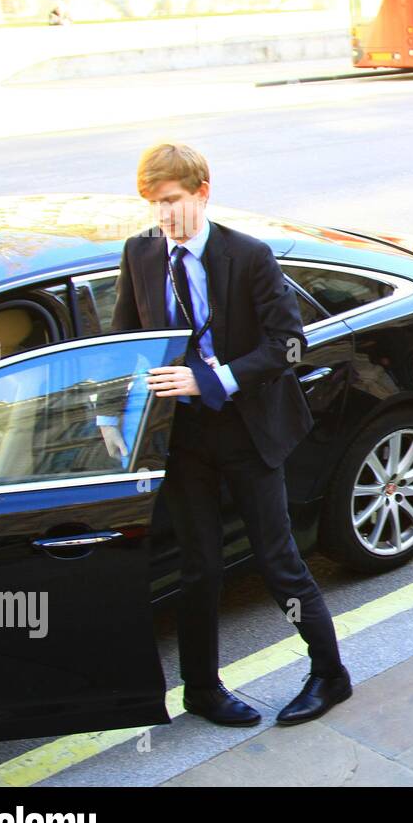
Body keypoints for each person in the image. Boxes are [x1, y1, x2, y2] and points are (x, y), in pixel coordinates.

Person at [100, 143, 350, 727]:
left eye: (171, 202)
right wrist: (110, 414)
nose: (162, 217)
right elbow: (124, 336)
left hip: (246, 428)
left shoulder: (249, 255)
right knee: (198, 566)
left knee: (277, 561)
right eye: (152, 205)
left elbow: (289, 344)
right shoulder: (139, 253)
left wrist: (212, 379)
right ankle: (202, 691)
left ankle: (329, 673)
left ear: (202, 192)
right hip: (182, 437)